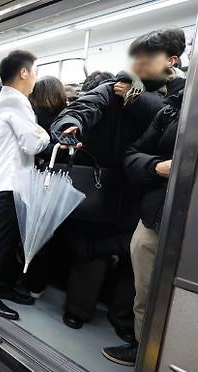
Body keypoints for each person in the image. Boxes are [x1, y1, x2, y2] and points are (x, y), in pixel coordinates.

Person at [50, 28, 186, 335]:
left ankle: (123, 320)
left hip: (148, 187)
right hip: (109, 181)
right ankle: (78, 309)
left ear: (171, 61)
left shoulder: (182, 96)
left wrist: (140, 102)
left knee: (133, 262)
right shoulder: (119, 86)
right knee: (92, 250)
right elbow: (83, 107)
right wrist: (69, 124)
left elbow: (174, 123)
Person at [102, 90, 183, 366]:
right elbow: (132, 154)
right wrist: (158, 167)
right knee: (145, 289)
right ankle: (141, 346)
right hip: (157, 213)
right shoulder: (172, 109)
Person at [0, 50, 51, 321]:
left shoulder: (6, 100)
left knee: (8, 242)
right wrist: (43, 136)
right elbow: (32, 143)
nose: (35, 78)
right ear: (23, 72)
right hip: (8, 184)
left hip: (9, 182)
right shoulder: (15, 102)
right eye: (34, 72)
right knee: (1, 242)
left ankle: (2, 286)